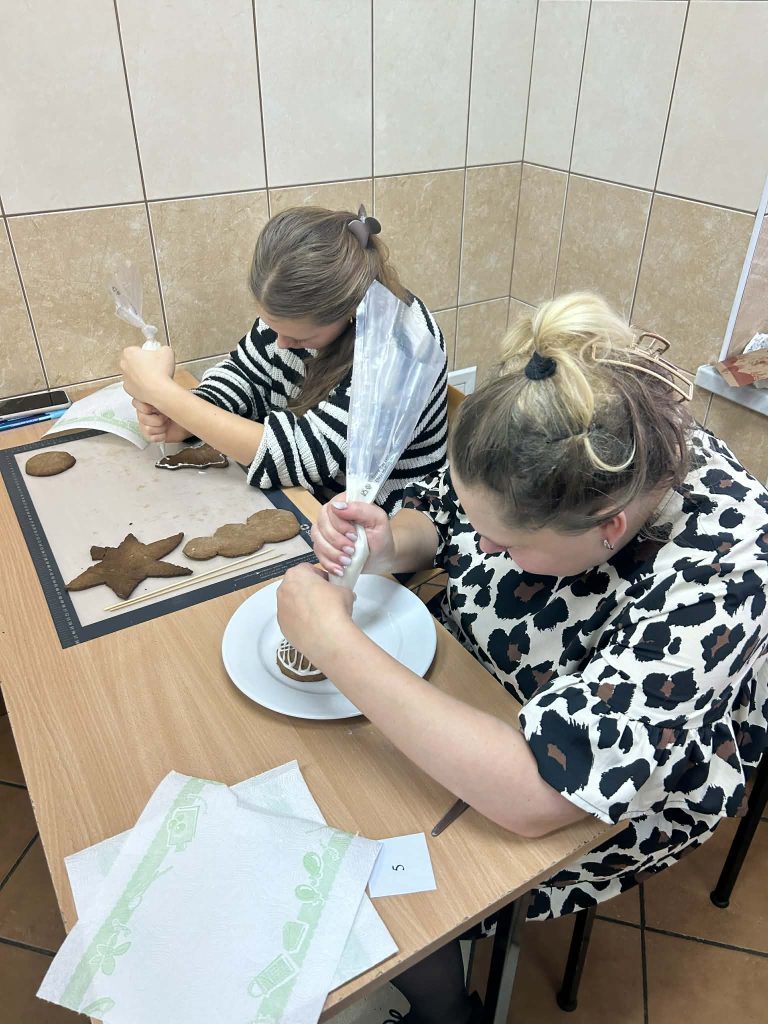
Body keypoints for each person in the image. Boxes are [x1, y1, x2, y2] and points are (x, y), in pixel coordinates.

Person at [276, 292, 768, 1024]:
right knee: (336, 790)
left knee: (401, 873)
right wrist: (387, 543)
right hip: (485, 680)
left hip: (612, 786)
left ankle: (451, 1014)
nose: (485, 550)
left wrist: (333, 644)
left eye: (507, 546)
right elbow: (445, 520)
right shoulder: (546, 430)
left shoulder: (724, 573)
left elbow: (542, 793)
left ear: (610, 529)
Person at [120, 206, 448, 514]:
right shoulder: (294, 307)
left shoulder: (399, 350)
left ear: (348, 312)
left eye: (299, 339)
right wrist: (188, 414)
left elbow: (307, 456)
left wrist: (164, 393)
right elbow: (246, 374)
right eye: (273, 327)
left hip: (387, 525)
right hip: (309, 499)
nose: (281, 344)